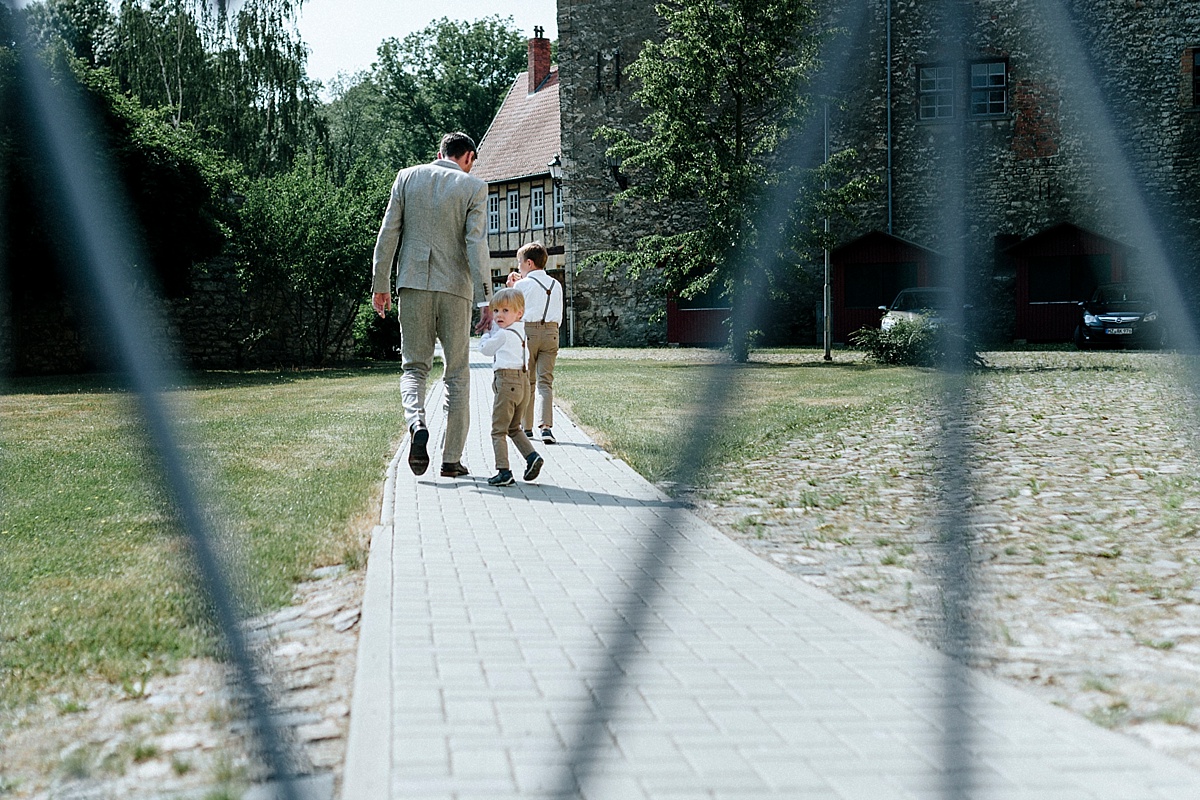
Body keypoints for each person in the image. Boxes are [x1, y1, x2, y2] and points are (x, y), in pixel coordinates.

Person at [370, 132, 493, 478]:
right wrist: (486, 298)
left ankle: (417, 423)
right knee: (457, 374)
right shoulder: (473, 188)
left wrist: (381, 286)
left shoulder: (407, 177)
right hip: (455, 288)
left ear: (439, 152)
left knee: (414, 368)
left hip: (412, 285)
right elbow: (476, 246)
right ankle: (451, 459)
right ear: (468, 157)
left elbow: (388, 232)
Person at [477, 288, 545, 487]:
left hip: (507, 382)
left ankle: (504, 471)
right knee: (514, 427)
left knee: (498, 430)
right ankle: (531, 456)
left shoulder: (504, 334)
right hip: (523, 383)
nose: (499, 315)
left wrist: (486, 335)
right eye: (496, 310)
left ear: (519, 313)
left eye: (506, 311)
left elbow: (485, 350)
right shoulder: (522, 331)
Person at [512, 241, 564, 445]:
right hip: (551, 331)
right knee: (545, 382)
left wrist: (512, 287)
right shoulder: (555, 284)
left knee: (528, 382)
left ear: (530, 264)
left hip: (529, 331)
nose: (518, 267)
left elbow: (513, 312)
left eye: (520, 263)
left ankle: (527, 427)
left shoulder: (521, 285)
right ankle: (547, 428)